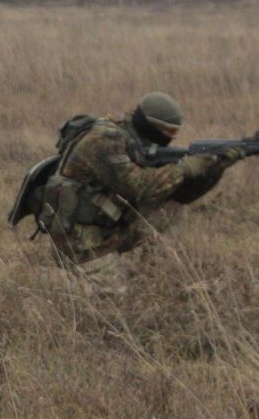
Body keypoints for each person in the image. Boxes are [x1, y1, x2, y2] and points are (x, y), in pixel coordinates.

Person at [35, 91, 244, 292]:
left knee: (172, 207)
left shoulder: (138, 140)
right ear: (151, 126)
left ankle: (147, 267)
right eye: (169, 132)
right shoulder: (105, 140)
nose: (171, 138)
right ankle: (45, 279)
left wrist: (215, 169)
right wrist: (184, 168)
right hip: (79, 236)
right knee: (111, 294)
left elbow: (181, 195)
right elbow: (139, 187)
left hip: (108, 227)